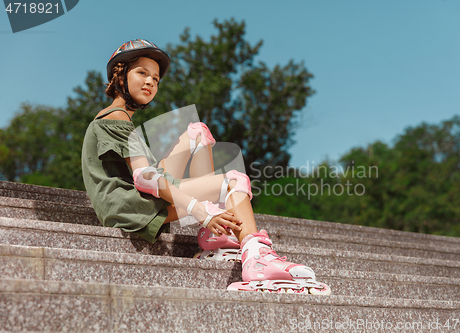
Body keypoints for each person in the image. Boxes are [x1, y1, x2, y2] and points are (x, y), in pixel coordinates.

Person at [81, 39, 330, 295]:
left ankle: (216, 238)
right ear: (119, 74)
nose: (150, 82)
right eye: (142, 73)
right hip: (128, 207)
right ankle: (257, 260)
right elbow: (144, 177)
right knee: (234, 181)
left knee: (197, 132)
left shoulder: (114, 119)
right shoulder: (116, 118)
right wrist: (201, 211)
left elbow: (147, 175)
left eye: (155, 79)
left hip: (129, 203)